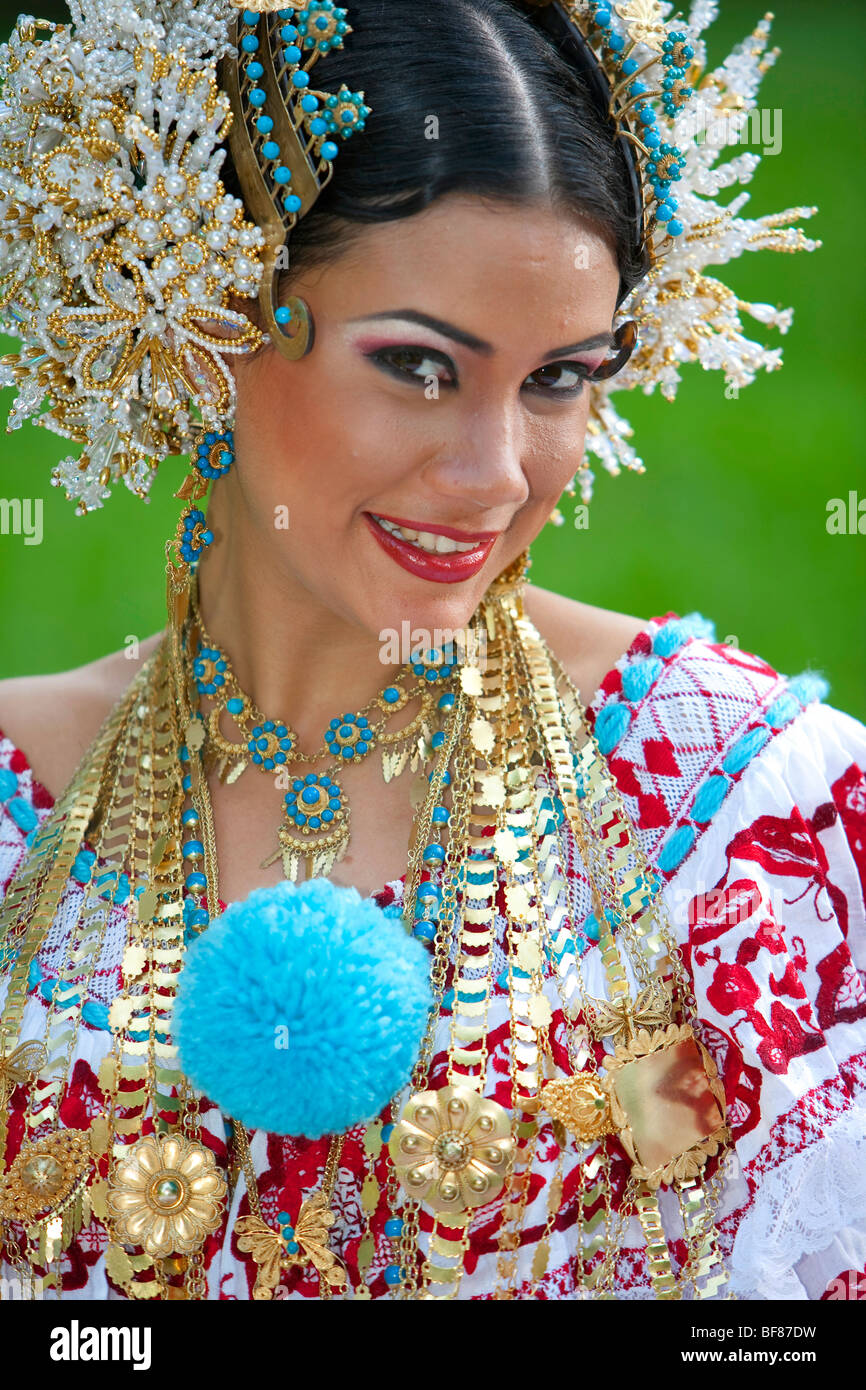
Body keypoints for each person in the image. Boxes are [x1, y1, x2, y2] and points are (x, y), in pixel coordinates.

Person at [0, 0, 863, 1302]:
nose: (495, 473)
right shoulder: (20, 818)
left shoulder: (746, 817)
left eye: (559, 377)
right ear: (200, 323)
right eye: (416, 365)